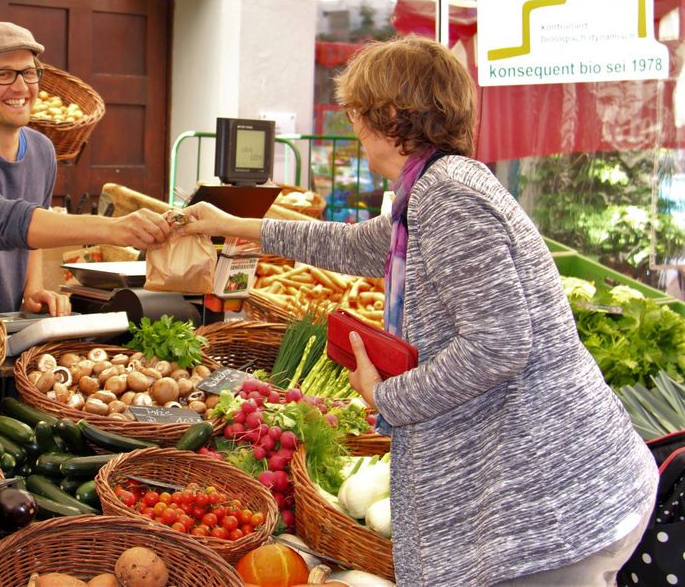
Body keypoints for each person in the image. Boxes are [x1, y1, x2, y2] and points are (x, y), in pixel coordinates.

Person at [182, 36, 656, 586]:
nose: (354, 129)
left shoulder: (448, 196)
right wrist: (234, 224)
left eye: (357, 114)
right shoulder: (434, 187)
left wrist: (387, 395)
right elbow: (359, 245)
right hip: (546, 494)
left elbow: (499, 344)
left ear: (388, 115)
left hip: (547, 506)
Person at [0, 21, 170, 315]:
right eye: (4, 75)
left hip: (7, 322)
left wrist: (32, 290)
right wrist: (113, 229)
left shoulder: (41, 150)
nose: (21, 87)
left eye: (28, 72)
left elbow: (33, 232)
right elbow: (2, 224)